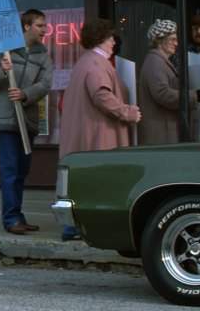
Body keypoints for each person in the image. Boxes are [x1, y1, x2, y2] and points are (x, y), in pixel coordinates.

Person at [59, 19, 142, 241]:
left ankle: (74, 225)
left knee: (81, 181)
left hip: (88, 131)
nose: (114, 42)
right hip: (98, 133)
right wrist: (127, 112)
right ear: (101, 39)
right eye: (110, 37)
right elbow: (101, 96)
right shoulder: (96, 64)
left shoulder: (86, 62)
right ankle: (83, 225)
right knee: (98, 180)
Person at [0, 9, 53, 235]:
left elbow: (45, 84)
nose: (44, 30)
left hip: (28, 119)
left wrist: (25, 94)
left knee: (22, 169)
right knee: (10, 169)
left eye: (44, 26)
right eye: (40, 25)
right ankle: (11, 218)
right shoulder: (3, 51)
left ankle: (18, 214)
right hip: (5, 118)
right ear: (26, 26)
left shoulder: (43, 56)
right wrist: (3, 71)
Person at [138, 19, 200, 145]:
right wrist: (194, 95)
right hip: (161, 133)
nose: (176, 43)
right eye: (172, 39)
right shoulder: (155, 62)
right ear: (159, 40)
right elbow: (163, 94)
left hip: (163, 130)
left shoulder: (159, 61)